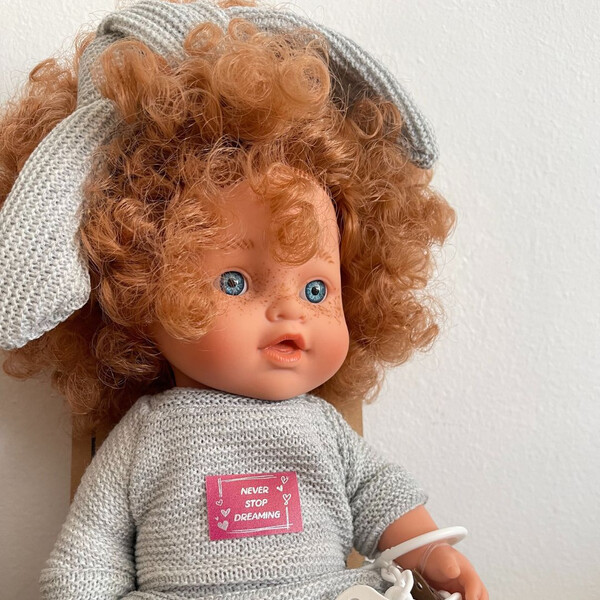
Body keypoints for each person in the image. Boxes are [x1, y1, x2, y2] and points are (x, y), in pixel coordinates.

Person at [0, 1, 487, 598]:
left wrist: (432, 553)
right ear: (139, 290)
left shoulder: (323, 429)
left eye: (316, 289)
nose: (291, 311)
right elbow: (87, 560)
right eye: (234, 282)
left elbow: (381, 497)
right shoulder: (145, 438)